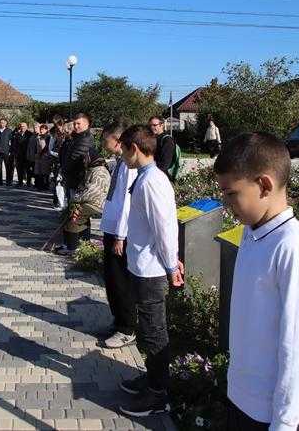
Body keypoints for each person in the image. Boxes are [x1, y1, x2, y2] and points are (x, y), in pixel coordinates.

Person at [214, 133, 299, 431]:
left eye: (231, 193)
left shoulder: (291, 245)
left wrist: (285, 422)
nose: (226, 203)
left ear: (264, 185)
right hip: (242, 398)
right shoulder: (253, 231)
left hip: (275, 414)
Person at [117, 124, 182, 418]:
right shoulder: (143, 178)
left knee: (155, 331)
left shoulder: (152, 181)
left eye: (123, 150)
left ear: (134, 148)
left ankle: (158, 393)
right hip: (141, 264)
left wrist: (171, 264)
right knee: (147, 327)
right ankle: (151, 377)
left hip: (152, 269)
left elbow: (165, 228)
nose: (121, 156)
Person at [98, 122, 138, 350]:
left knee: (121, 281)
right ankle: (118, 321)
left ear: (117, 140)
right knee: (111, 279)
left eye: (106, 140)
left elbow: (126, 205)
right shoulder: (121, 163)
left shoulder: (130, 167)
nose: (104, 144)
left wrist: (121, 236)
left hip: (120, 232)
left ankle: (127, 328)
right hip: (111, 228)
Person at [56, 147, 110, 257]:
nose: (84, 161)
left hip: (97, 202)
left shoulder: (100, 171)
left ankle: (73, 247)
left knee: (75, 215)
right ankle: (77, 243)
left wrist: (76, 199)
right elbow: (83, 188)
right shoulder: (92, 169)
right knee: (69, 211)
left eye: (85, 158)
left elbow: (93, 191)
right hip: (89, 201)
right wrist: (76, 200)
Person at [62, 113, 94, 197]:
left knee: (73, 206)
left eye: (78, 123)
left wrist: (64, 170)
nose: (75, 126)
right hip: (73, 179)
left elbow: (74, 159)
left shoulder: (85, 139)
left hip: (78, 180)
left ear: (86, 124)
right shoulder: (78, 137)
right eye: (74, 123)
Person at [148, 116, 176, 181]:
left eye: (154, 125)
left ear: (162, 125)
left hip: (162, 178)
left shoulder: (167, 140)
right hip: (152, 174)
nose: (152, 127)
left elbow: (165, 164)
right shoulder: (152, 139)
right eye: (150, 125)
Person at [0, 118, 14, 186]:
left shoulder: (9, 131)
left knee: (8, 167)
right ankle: (0, 181)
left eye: (3, 122)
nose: (2, 124)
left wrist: (10, 151)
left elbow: (12, 142)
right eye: (1, 122)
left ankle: (8, 181)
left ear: (6, 123)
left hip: (6, 151)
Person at [11, 122, 32, 187]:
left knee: (28, 169)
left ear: (26, 127)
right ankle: (20, 182)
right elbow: (14, 145)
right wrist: (15, 153)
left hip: (27, 154)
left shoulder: (30, 134)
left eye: (24, 126)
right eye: (21, 126)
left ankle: (28, 182)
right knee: (19, 169)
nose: (22, 127)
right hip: (19, 155)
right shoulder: (17, 134)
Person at [33, 124, 52, 190]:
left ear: (46, 130)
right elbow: (36, 146)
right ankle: (39, 185)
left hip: (45, 156)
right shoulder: (38, 137)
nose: (41, 130)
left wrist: (42, 153)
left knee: (45, 172)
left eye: (43, 129)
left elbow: (47, 147)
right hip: (38, 156)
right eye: (41, 129)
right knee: (38, 171)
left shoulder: (48, 137)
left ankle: (45, 185)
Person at [26, 123, 40, 187]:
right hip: (30, 156)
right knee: (29, 170)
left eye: (37, 127)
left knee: (36, 171)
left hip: (37, 157)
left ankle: (37, 183)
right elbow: (29, 147)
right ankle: (28, 182)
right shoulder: (32, 136)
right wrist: (28, 154)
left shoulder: (40, 136)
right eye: (34, 127)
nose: (35, 129)